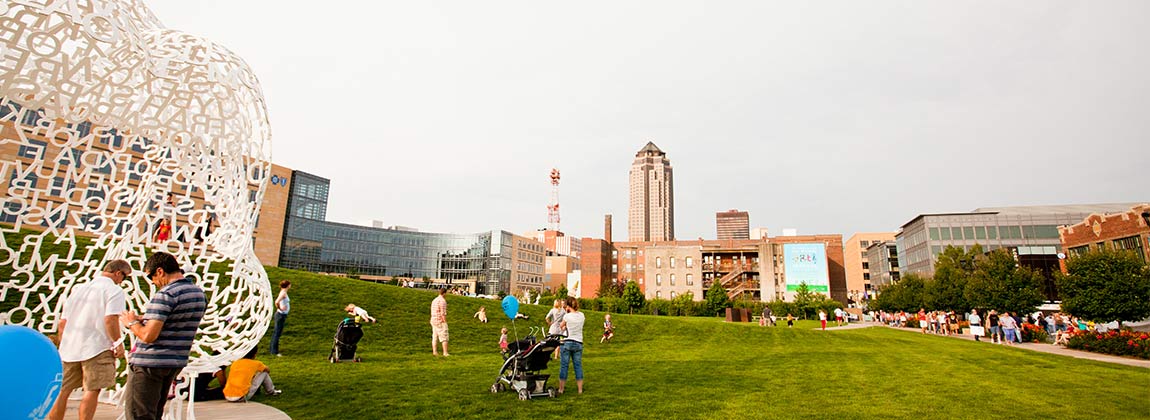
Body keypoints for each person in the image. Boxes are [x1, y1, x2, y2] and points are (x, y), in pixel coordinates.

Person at [119, 252, 207, 420]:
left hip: (149, 363)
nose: (153, 282)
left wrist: (131, 322)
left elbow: (148, 336)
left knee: (140, 415)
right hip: (174, 361)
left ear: (160, 271)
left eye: (151, 276)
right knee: (155, 413)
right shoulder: (198, 294)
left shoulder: (166, 294)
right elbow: (177, 321)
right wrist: (147, 317)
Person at [48, 260, 131, 420]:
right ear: (118, 273)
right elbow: (110, 319)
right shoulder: (114, 290)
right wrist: (118, 343)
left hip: (70, 347)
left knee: (63, 390)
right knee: (92, 390)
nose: (122, 281)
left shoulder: (79, 289)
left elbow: (62, 322)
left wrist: (63, 343)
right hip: (96, 347)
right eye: (124, 277)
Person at [557, 296, 585, 395]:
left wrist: (565, 325)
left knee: (564, 366)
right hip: (578, 342)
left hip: (567, 342)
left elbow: (561, 326)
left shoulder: (567, 316)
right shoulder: (582, 315)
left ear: (568, 306)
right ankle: (580, 390)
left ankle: (561, 389)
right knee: (578, 366)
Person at [270, 280, 291, 356]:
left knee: (277, 332)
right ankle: (274, 351)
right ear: (288, 285)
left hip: (281, 315)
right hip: (280, 315)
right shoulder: (283, 293)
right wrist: (280, 308)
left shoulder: (283, 292)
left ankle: (273, 350)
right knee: (277, 333)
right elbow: (276, 302)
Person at [430, 288, 449, 356]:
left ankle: (435, 352)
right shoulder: (442, 301)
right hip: (440, 321)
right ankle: (445, 353)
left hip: (433, 320)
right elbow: (442, 313)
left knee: (435, 337)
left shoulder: (434, 300)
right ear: (444, 293)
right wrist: (445, 322)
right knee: (444, 337)